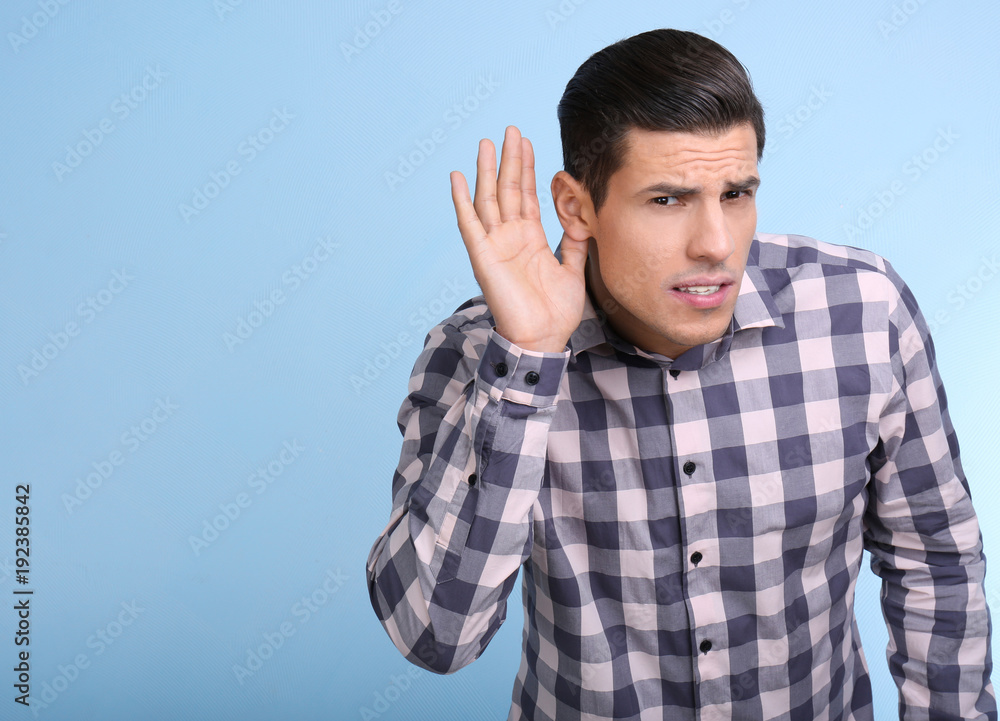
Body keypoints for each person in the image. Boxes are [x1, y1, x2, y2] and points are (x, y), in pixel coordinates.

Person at [364, 27, 996, 720]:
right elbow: (433, 635)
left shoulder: (863, 315)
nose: (716, 245)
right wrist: (527, 367)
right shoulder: (479, 353)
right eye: (667, 199)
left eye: (735, 192)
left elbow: (937, 562)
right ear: (576, 207)